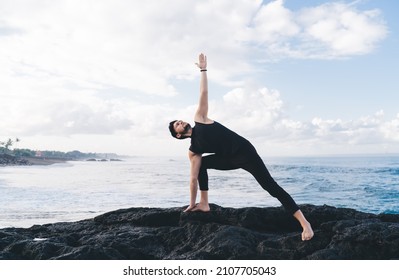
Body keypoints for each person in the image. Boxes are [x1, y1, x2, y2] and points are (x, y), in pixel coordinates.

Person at [168, 53, 314, 241]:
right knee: (202, 164)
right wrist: (191, 203)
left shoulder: (200, 119)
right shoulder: (193, 151)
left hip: (245, 152)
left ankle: (305, 223)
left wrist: (203, 70)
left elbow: (203, 93)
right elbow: (193, 178)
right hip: (228, 158)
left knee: (270, 186)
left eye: (180, 120)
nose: (181, 122)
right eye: (177, 124)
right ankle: (204, 204)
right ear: (178, 134)